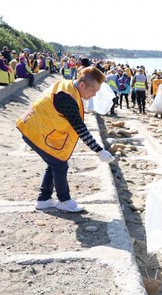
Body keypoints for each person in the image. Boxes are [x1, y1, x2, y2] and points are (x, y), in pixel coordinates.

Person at [16, 66, 115, 213]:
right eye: (93, 91)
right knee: (60, 166)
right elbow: (80, 129)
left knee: (54, 163)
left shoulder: (68, 87)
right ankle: (64, 200)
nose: (94, 95)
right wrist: (100, 151)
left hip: (35, 127)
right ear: (82, 85)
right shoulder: (67, 98)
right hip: (35, 132)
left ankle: (44, 199)